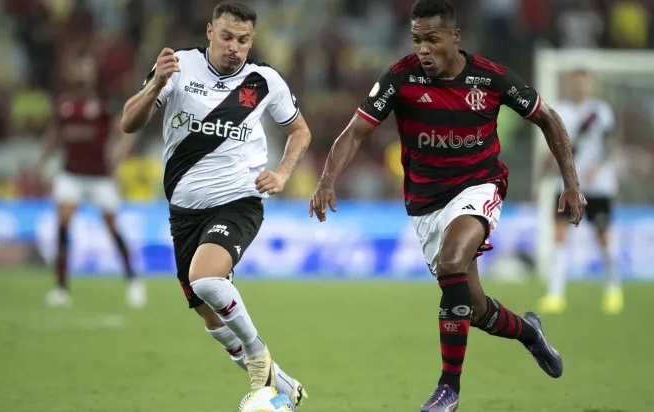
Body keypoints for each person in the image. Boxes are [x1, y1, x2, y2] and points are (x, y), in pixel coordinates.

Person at [309, 1, 587, 411]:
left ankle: (448, 389)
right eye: (417, 39)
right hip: (426, 206)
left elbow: (548, 118)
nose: (422, 48)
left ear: (454, 38)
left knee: (453, 262)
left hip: (480, 186)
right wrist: (327, 179)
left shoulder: (491, 78)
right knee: (472, 307)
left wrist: (571, 183)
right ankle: (530, 333)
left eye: (432, 39)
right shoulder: (399, 77)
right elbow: (355, 133)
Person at [119, 1, 309, 405]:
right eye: (226, 37)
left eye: (243, 40)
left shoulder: (263, 81)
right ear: (209, 32)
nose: (234, 47)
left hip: (238, 201)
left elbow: (300, 131)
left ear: (251, 40)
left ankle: (259, 357)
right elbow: (128, 123)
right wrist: (154, 85)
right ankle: (284, 384)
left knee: (207, 279)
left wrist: (283, 173)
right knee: (209, 316)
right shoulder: (179, 66)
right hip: (185, 211)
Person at [37, 53, 145, 309]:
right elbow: (54, 135)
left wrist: (120, 151)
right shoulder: (64, 107)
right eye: (78, 71)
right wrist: (42, 161)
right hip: (71, 174)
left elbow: (127, 130)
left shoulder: (104, 107)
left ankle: (133, 282)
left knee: (112, 227)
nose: (82, 76)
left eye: (86, 71)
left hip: (100, 177)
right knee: (63, 225)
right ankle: (61, 289)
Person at [538, 70, 622, 315]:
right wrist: (544, 171)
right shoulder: (560, 110)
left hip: (598, 185)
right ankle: (555, 294)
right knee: (560, 235)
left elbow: (611, 144)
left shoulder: (600, 111)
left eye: (584, 83)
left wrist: (601, 165)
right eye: (576, 82)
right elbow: (552, 144)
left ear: (590, 85)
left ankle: (613, 290)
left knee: (603, 236)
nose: (580, 87)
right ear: (570, 84)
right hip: (566, 183)